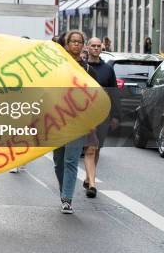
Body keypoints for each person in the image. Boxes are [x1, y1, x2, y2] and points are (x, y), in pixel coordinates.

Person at [53, 30, 98, 214]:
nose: (76, 45)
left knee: (71, 161)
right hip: (57, 120)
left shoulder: (88, 70)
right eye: (73, 41)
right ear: (66, 44)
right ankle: (65, 190)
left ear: (83, 45)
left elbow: (95, 97)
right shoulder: (57, 66)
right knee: (58, 161)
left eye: (80, 42)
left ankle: (67, 198)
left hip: (77, 121)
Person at [85, 37, 120, 198]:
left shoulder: (108, 69)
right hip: (87, 114)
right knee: (90, 148)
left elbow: (114, 93)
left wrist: (115, 115)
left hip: (104, 114)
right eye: (93, 46)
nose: (96, 48)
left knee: (97, 148)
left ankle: (88, 177)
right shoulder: (82, 67)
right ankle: (92, 184)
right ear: (88, 47)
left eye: (99, 46)